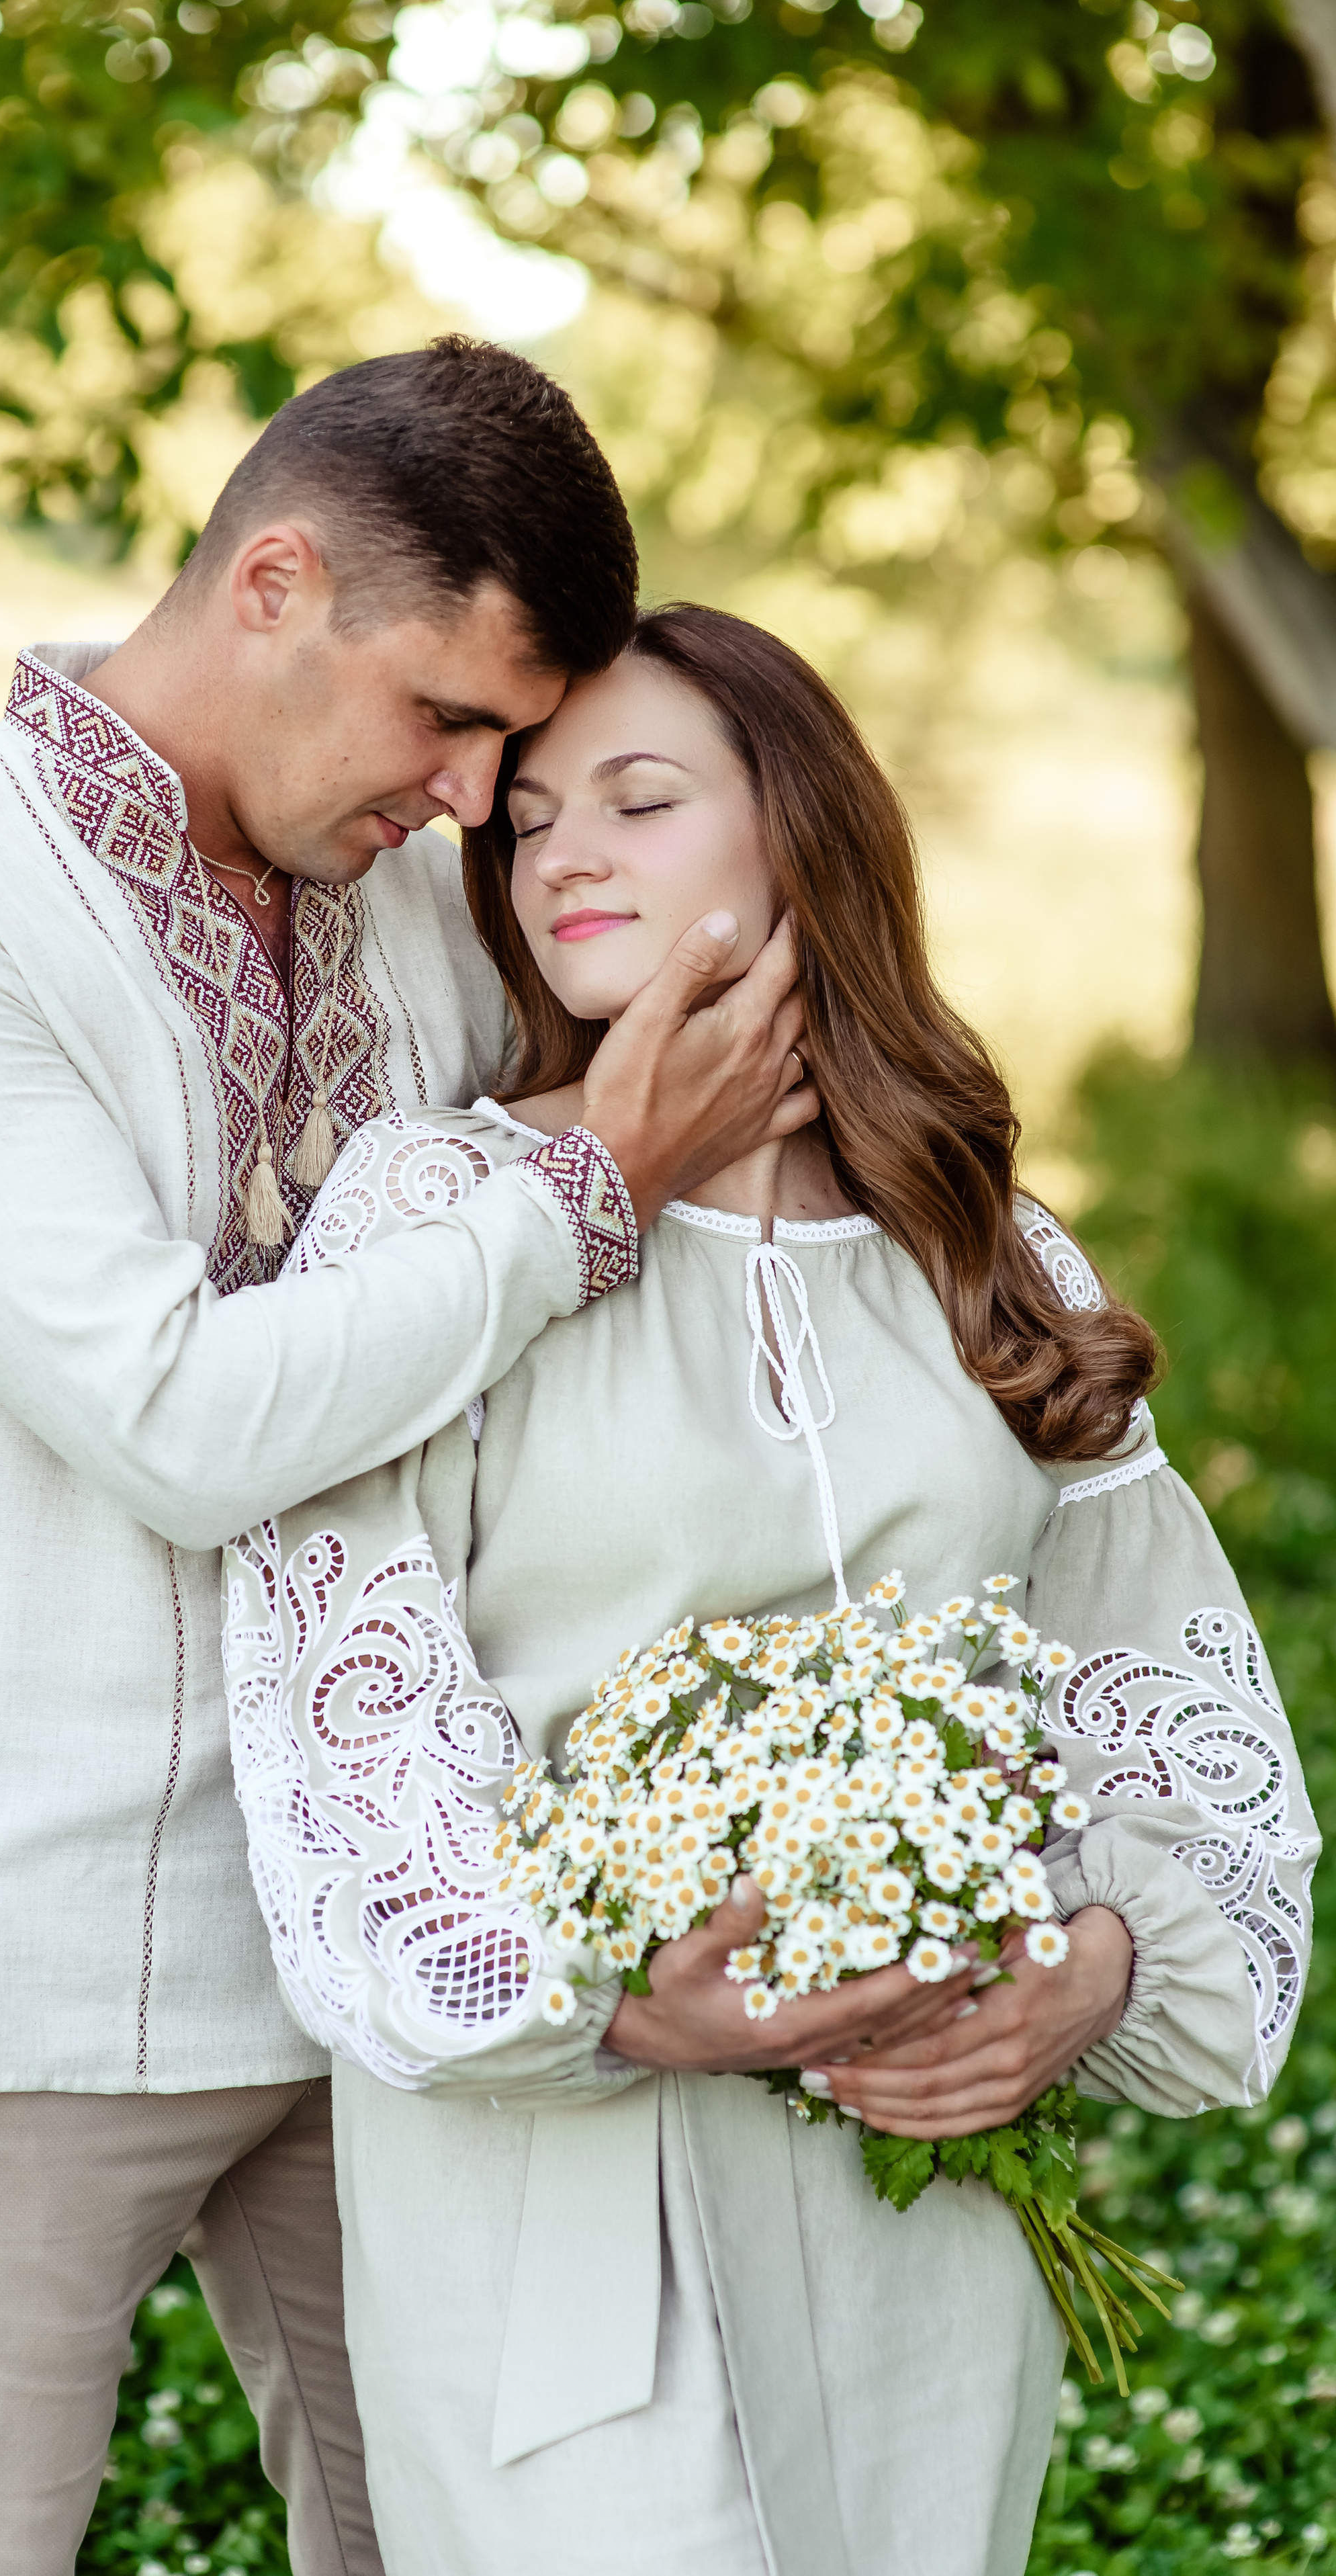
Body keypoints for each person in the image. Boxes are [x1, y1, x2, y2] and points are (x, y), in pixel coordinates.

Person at [0, 349, 817, 2576]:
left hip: (401, 1957)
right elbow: (181, 1419)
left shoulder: (407, 894)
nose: (476, 792)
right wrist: (576, 1192)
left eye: (509, 743)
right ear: (277, 581)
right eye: (443, 716)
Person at [222, 604, 1320, 2576]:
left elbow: (1177, 1706)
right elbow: (343, 1741)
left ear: (796, 835)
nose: (562, 854)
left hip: (924, 2178)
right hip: (560, 2196)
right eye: (532, 816)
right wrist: (615, 1996)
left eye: (641, 800)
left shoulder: (985, 1246)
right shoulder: (433, 1217)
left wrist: (1094, 1976)